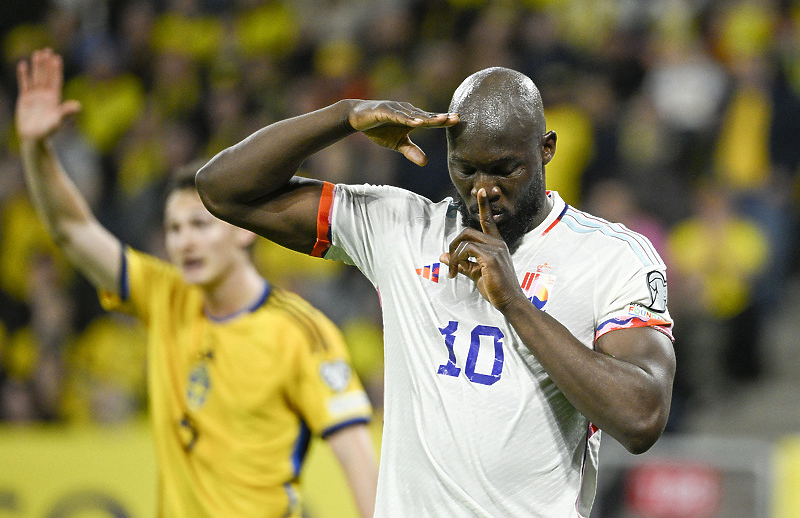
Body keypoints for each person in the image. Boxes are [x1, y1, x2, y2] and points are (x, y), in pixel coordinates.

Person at [196, 66, 677, 517]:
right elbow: (222, 190)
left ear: (546, 149)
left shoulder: (610, 257)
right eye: (466, 170)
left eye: (505, 170)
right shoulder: (400, 229)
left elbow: (641, 417)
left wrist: (513, 301)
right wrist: (342, 116)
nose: (483, 190)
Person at [15, 48, 378, 518]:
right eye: (174, 229)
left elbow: (355, 453)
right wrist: (36, 149)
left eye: (200, 226)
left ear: (245, 231)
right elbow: (72, 230)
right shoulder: (166, 295)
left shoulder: (298, 333)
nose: (184, 242)